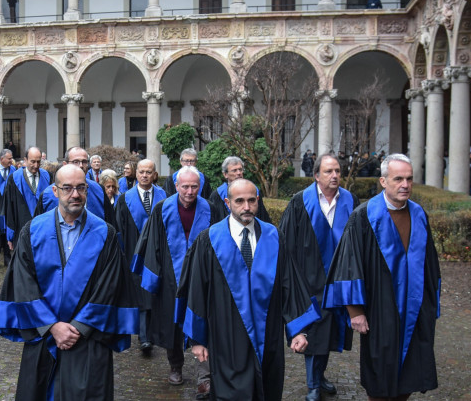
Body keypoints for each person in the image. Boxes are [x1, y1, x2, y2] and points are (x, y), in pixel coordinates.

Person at [0, 164, 138, 401]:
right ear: (55, 191)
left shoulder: (105, 233)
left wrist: (78, 327)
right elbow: (23, 282)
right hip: (44, 336)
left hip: (88, 338)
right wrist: (52, 326)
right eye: (67, 188)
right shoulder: (32, 231)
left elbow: (110, 286)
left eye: (81, 188)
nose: (75, 194)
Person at [177, 178, 318, 401]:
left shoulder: (274, 237)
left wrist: (298, 329)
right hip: (225, 335)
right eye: (239, 201)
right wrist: (198, 339)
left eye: (252, 200)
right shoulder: (209, 240)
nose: (246, 207)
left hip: (268, 333)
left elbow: (290, 283)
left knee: (267, 390)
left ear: (258, 201)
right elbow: (197, 291)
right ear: (227, 202)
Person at [323, 154, 441, 400]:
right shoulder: (364, 216)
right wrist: (355, 311)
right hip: (379, 308)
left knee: (410, 371)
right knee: (379, 376)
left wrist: (431, 305)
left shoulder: (419, 215)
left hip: (414, 307)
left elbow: (431, 265)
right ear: (383, 181)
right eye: (398, 179)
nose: (405, 185)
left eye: (409, 179)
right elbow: (348, 264)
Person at [280, 154, 359, 401]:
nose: (334, 175)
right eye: (328, 171)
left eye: (337, 171)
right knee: (312, 331)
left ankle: (320, 377)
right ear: (316, 175)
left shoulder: (351, 201)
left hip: (338, 282)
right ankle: (313, 385)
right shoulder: (299, 203)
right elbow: (286, 244)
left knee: (331, 332)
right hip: (308, 281)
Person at [132, 167, 216, 393]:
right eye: (185, 186)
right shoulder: (162, 209)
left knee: (203, 320)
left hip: (202, 276)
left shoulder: (211, 209)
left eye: (194, 186)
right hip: (171, 276)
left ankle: (204, 374)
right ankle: (176, 366)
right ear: (176, 185)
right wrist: (154, 276)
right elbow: (152, 245)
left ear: (200, 186)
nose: (189, 191)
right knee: (174, 324)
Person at [113, 158, 166, 356]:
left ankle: (153, 333)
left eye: (148, 172)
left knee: (156, 292)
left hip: (158, 253)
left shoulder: (164, 196)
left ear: (154, 174)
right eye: (141, 171)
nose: (145, 175)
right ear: (136, 174)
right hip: (133, 254)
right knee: (141, 295)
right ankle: (145, 336)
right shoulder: (125, 199)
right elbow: (118, 230)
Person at [42, 147, 112, 224]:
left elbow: (110, 224)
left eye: (84, 162)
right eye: (76, 162)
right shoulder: (48, 194)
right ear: (65, 164)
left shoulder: (98, 190)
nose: (81, 165)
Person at [3, 147, 51, 249]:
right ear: (25, 160)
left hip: (44, 230)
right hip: (21, 228)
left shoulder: (47, 176)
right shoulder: (14, 179)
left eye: (39, 162)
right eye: (32, 162)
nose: (36, 165)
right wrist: (10, 235)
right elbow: (9, 208)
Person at [209, 156, 270, 223]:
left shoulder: (253, 190)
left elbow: (262, 216)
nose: (239, 173)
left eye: (240, 169)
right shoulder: (218, 195)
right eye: (234, 170)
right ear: (225, 174)